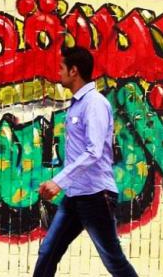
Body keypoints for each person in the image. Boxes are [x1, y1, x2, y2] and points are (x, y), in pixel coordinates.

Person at [34, 47, 138, 277]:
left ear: (74, 71)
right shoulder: (79, 103)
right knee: (48, 252)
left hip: (95, 197)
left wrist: (58, 181)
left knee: (114, 261)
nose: (58, 72)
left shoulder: (94, 103)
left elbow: (94, 151)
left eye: (62, 68)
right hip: (75, 196)